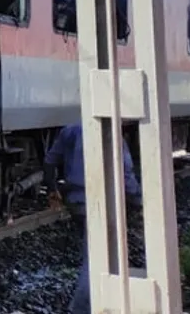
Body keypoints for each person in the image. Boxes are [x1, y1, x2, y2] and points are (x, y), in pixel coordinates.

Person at [44, 123, 142, 314]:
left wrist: (52, 188)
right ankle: (81, 307)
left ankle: (102, 300)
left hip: (76, 202)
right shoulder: (111, 133)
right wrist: (136, 199)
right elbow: (126, 172)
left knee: (94, 251)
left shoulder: (69, 131)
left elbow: (49, 161)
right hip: (100, 203)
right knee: (96, 257)